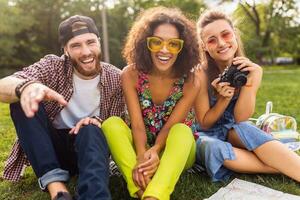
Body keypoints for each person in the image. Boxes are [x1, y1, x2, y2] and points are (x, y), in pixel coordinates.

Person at [0, 15, 124, 200]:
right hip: (51, 149)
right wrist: (25, 87)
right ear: (65, 50)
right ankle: (57, 189)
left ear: (99, 42)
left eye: (90, 42)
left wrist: (98, 122)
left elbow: (119, 125)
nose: (86, 52)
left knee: (90, 129)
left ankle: (94, 195)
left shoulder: (116, 78)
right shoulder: (53, 66)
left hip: (92, 149)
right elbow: (5, 84)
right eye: (76, 45)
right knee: (22, 98)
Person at [101, 7, 200, 200]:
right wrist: (140, 155)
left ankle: (153, 195)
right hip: (141, 146)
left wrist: (155, 150)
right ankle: (144, 191)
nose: (164, 50)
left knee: (181, 130)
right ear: (145, 43)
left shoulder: (191, 81)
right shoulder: (130, 74)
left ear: (183, 48)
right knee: (111, 124)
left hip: (176, 152)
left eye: (173, 44)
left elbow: (171, 126)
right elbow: (136, 124)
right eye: (157, 42)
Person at [194, 10, 300, 182]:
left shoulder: (247, 69)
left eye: (226, 34)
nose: (221, 43)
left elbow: (240, 117)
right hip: (206, 134)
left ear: (234, 35)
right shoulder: (200, 74)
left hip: (233, 129)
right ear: (204, 46)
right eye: (212, 40)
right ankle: (283, 164)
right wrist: (223, 99)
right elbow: (204, 123)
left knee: (247, 129)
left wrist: (251, 83)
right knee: (213, 148)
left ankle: (288, 164)